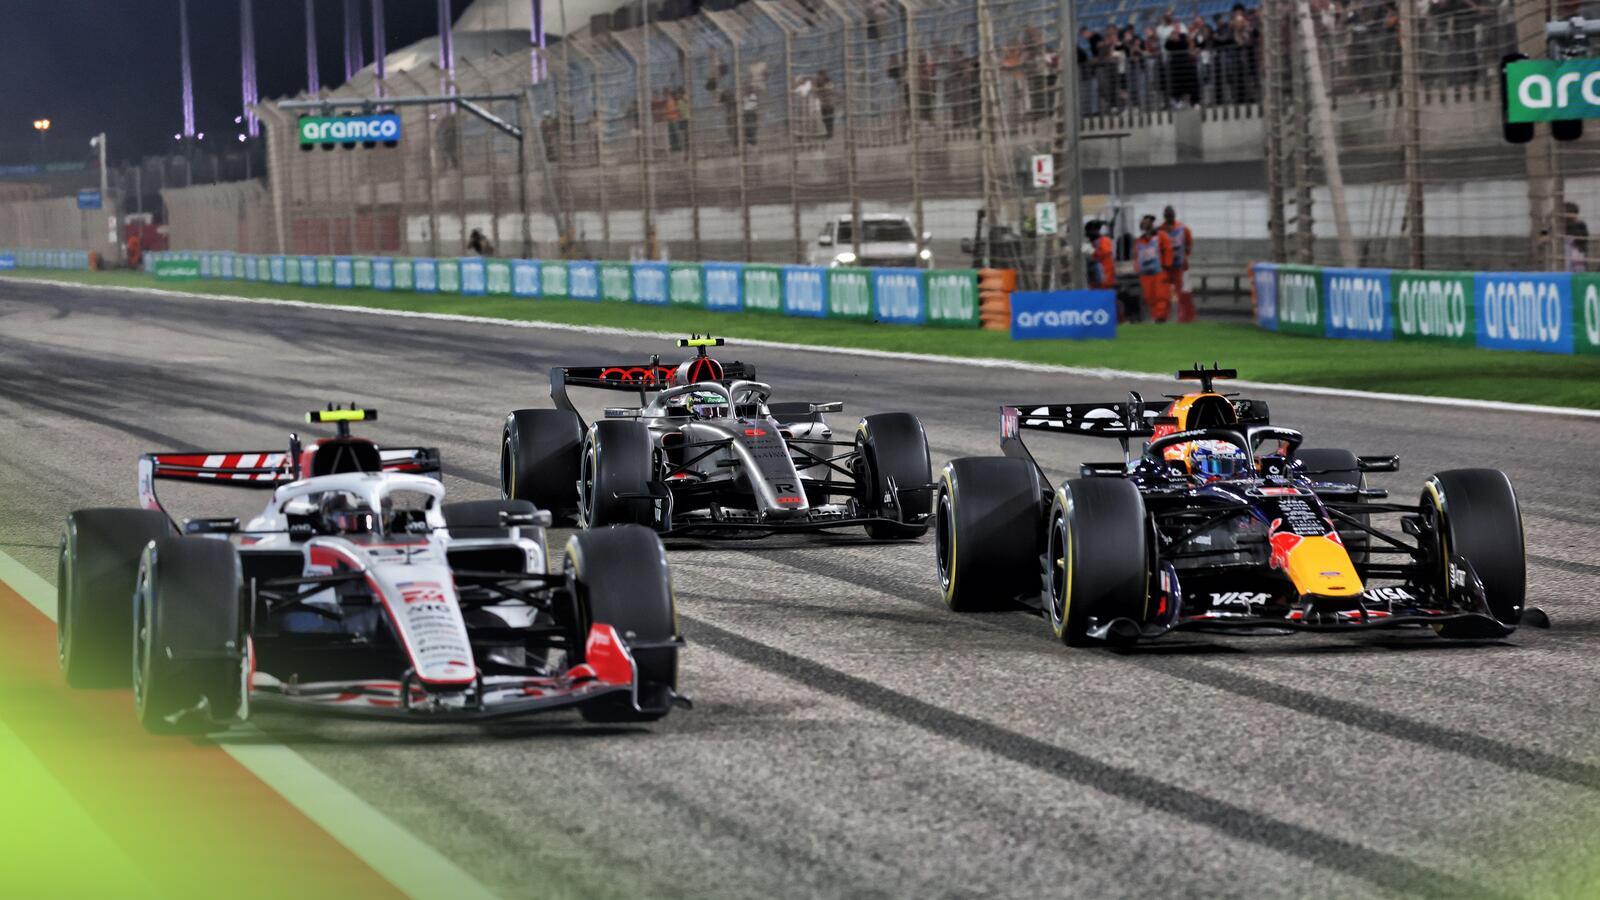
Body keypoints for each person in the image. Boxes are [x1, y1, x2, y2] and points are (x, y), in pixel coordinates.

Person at [1135, 214, 1174, 322]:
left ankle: (1160, 318)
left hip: (1159, 272)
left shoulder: (1161, 236)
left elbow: (1168, 250)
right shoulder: (1140, 241)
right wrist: (1138, 269)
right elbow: (1136, 256)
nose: (1145, 226)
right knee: (1149, 297)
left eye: (1147, 223)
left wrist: (1167, 267)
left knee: (1161, 296)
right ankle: (1157, 316)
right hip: (1145, 274)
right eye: (1144, 224)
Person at [1162, 205, 1195, 321]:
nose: (1169, 217)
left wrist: (1183, 255)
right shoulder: (1160, 230)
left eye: (1171, 215)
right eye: (1167, 215)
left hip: (1180, 266)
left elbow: (1189, 244)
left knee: (1182, 291)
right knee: (1164, 292)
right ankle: (1165, 316)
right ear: (1165, 216)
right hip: (1165, 267)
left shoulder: (1182, 228)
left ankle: (1184, 316)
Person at [1565, 202, 1589, 272]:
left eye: (1575, 213)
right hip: (1566, 258)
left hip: (1578, 256)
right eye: (1571, 213)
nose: (1574, 216)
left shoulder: (1581, 225)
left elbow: (1583, 239)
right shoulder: (1561, 226)